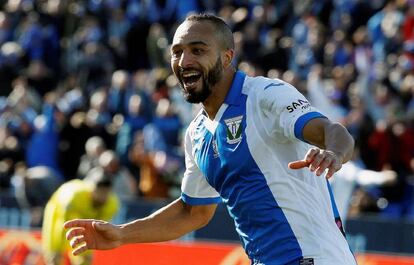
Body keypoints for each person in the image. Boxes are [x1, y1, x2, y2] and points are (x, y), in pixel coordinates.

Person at [64, 14, 356, 265]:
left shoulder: (265, 96)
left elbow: (332, 132)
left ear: (227, 57)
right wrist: (121, 234)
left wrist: (334, 154)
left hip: (315, 257)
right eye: (176, 52)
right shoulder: (197, 134)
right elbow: (193, 212)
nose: (184, 60)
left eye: (198, 50)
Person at [42, 168, 119, 265]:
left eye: (106, 193)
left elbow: (96, 230)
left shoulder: (112, 204)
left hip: (81, 219)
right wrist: (57, 249)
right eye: (100, 192)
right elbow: (62, 224)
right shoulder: (74, 197)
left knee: (85, 259)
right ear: (92, 190)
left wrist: (87, 253)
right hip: (58, 211)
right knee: (54, 256)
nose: (102, 197)